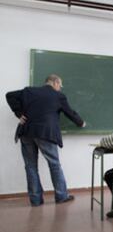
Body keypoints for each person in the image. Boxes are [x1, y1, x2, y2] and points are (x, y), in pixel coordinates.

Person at [6, 74, 85, 206]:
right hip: (45, 133)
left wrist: (19, 114)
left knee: (30, 166)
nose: (60, 88)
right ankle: (61, 196)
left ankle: (36, 200)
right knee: (54, 164)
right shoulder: (58, 96)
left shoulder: (29, 91)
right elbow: (70, 112)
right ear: (55, 83)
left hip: (26, 132)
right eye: (60, 85)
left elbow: (9, 95)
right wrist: (81, 123)